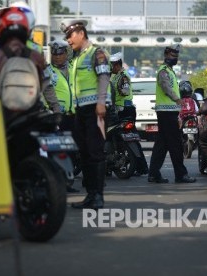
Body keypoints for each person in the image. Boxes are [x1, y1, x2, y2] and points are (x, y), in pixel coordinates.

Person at [61, 19, 111, 209]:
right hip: (80, 111)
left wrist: (100, 101)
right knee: (84, 153)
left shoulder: (96, 53)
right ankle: (90, 195)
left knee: (95, 151)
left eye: (70, 36)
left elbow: (104, 77)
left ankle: (98, 196)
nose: (68, 41)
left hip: (95, 109)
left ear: (81, 34)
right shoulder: (78, 58)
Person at [148, 44, 196, 184]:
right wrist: (178, 100)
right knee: (175, 144)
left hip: (168, 112)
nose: (175, 58)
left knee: (161, 145)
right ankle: (181, 175)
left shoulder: (169, 71)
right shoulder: (163, 71)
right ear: (166, 56)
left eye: (176, 56)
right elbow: (166, 88)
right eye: (172, 56)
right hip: (166, 113)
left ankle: (153, 173)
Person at [109, 52, 149, 176]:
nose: (111, 67)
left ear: (117, 65)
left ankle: (142, 167)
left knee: (132, 138)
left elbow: (125, 91)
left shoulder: (123, 76)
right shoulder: (114, 76)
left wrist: (119, 90)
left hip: (125, 110)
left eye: (113, 65)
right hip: (117, 110)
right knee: (118, 139)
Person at [47, 39, 79, 193]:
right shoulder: (48, 71)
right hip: (58, 116)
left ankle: (68, 181)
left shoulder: (74, 68)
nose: (57, 57)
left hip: (74, 115)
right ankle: (60, 182)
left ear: (66, 54)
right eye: (55, 55)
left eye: (60, 54)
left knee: (73, 150)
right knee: (59, 151)